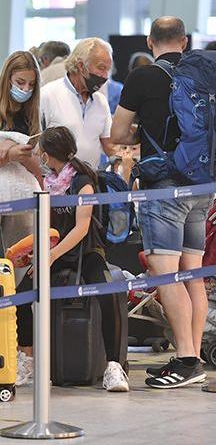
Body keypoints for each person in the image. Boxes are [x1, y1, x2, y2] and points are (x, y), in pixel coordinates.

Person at [111, 16, 210, 389]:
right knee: (193, 274)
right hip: (203, 184)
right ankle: (194, 354)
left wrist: (142, 128)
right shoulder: (204, 74)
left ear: (151, 41)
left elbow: (119, 133)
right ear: (184, 41)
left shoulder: (143, 77)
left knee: (165, 273)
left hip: (164, 186)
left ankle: (186, 359)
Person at [14, 126, 129, 391]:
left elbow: (82, 228)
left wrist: (52, 256)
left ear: (48, 154)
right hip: (57, 253)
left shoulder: (82, 181)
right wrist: (35, 253)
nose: (41, 158)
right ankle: (29, 361)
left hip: (86, 251)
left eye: (42, 153)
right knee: (21, 295)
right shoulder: (49, 183)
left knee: (107, 293)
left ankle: (113, 366)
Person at [40, 37, 116, 169]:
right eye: (101, 68)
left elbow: (108, 144)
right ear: (81, 66)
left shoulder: (100, 101)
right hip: (55, 184)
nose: (105, 76)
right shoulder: (47, 95)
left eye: (107, 70)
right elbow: (36, 145)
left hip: (90, 183)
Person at [0, 52, 43, 265]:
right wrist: (9, 154)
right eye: (20, 82)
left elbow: (38, 163)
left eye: (31, 84)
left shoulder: (32, 114)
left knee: (18, 259)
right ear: (7, 78)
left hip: (23, 197)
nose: (25, 89)